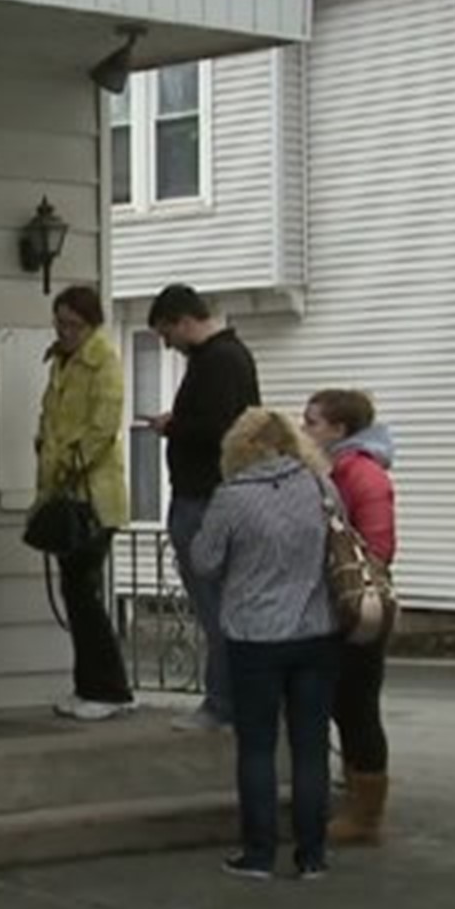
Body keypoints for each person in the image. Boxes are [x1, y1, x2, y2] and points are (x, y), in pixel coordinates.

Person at [192, 408, 340, 881]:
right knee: (311, 746)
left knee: (257, 746)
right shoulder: (320, 487)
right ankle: (312, 854)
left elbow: (205, 561)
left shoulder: (233, 498)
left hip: (254, 634)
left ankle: (258, 853)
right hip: (316, 630)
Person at [145, 283, 261, 732]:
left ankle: (223, 703)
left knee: (216, 607)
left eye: (165, 333)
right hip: (213, 495)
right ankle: (235, 701)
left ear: (182, 320)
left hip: (206, 498)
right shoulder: (228, 358)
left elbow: (219, 428)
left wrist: (174, 427)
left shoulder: (218, 361)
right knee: (223, 605)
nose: (167, 344)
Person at [301, 390, 397, 847]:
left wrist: (350, 573)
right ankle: (357, 794)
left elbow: (377, 545)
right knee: (345, 703)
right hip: (339, 604)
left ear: (339, 430)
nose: (306, 431)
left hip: (359, 606)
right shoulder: (335, 471)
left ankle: (366, 815)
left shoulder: (360, 473)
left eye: (312, 422)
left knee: (357, 706)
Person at [35, 285, 135, 721]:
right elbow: (50, 419)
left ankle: (111, 689)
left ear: (91, 324)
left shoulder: (104, 362)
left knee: (84, 591)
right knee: (74, 592)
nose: (66, 331)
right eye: (60, 323)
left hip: (93, 496)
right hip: (62, 491)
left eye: (74, 325)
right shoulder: (60, 362)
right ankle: (87, 685)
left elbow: (102, 427)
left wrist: (67, 464)